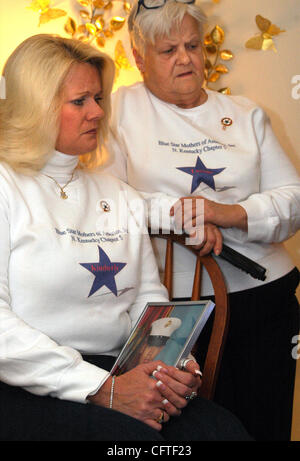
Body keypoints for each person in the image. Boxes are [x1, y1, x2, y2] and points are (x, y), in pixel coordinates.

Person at [0, 34, 251, 441]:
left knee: (222, 430)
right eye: (80, 101)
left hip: (115, 373)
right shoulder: (6, 186)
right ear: (36, 105)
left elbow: (146, 304)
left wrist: (173, 365)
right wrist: (103, 390)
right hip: (27, 383)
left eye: (98, 98)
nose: (98, 112)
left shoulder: (116, 194)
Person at [103, 0, 300, 441]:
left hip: (263, 297)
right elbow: (108, 198)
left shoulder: (247, 114)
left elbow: (294, 200)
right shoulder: (115, 113)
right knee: (186, 433)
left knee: (264, 425)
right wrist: (180, 214)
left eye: (192, 45)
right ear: (139, 58)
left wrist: (223, 213)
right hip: (169, 312)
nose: (186, 59)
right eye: (168, 50)